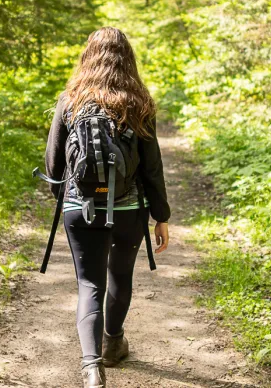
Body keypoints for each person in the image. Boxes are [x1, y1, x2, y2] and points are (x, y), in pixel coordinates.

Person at [44, 27, 170, 388]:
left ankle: (91, 369)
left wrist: (69, 206)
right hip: (128, 208)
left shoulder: (69, 101)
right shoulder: (139, 103)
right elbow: (152, 168)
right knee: (120, 277)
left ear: (88, 56)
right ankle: (113, 344)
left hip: (78, 207)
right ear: (127, 58)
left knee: (89, 284)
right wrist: (161, 216)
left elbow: (54, 168)